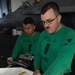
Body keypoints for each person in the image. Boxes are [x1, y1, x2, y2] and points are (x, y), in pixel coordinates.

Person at [33, 1, 75, 75]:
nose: (46, 26)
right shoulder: (43, 34)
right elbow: (38, 53)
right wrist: (37, 69)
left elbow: (63, 61)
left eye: (49, 21)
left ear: (59, 18)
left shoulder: (70, 35)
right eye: (43, 22)